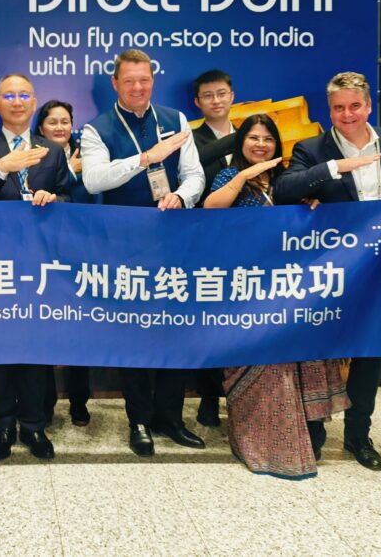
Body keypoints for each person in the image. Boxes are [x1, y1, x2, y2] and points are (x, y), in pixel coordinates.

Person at [273, 71, 381, 472]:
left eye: (354, 106)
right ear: (329, 110)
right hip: (331, 269)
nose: (347, 114)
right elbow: (284, 189)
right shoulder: (312, 148)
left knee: (370, 350)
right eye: (338, 108)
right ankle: (314, 431)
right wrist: (337, 167)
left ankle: (358, 434)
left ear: (368, 106)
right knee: (321, 349)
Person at [204, 113, 348, 478]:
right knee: (260, 367)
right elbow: (211, 209)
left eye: (268, 139)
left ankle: (310, 430)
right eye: (253, 138)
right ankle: (257, 440)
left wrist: (311, 209)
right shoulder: (229, 176)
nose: (260, 145)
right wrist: (242, 178)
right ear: (241, 143)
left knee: (303, 361)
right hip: (246, 291)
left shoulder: (287, 181)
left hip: (290, 289)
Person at [81, 50, 206, 457]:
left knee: (174, 332)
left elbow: (195, 175)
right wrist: (147, 159)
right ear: (115, 84)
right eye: (130, 81)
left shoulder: (175, 121)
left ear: (153, 81)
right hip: (125, 245)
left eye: (145, 80)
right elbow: (96, 180)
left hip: (173, 239)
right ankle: (139, 420)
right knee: (133, 334)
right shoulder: (96, 129)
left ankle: (170, 417)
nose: (138, 87)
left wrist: (182, 197)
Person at [0, 74, 69, 460]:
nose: (17, 101)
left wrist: (54, 196)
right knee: (1, 346)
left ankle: (34, 425)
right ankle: (3, 423)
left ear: (34, 101)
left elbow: (71, 197)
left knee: (36, 345)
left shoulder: (51, 150)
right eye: (9, 95)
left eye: (24, 94)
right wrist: (2, 168)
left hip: (40, 263)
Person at [33, 99, 93, 426]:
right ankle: (46, 402)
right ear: (41, 127)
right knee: (43, 329)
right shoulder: (32, 153)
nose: (59, 127)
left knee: (78, 331)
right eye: (52, 121)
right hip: (41, 254)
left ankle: (80, 401)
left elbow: (92, 196)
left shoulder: (90, 154)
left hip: (81, 250)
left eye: (65, 121)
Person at [189, 68, 239, 429]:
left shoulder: (255, 135)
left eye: (221, 93)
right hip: (206, 240)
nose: (216, 100)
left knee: (245, 321)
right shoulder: (190, 138)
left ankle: (241, 395)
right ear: (197, 102)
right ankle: (209, 397)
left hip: (252, 242)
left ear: (232, 95)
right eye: (208, 96)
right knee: (209, 323)